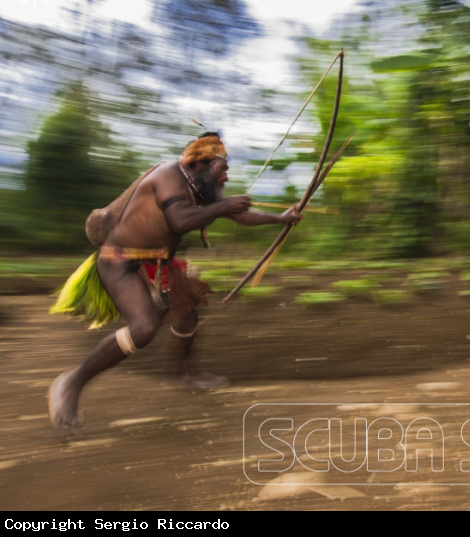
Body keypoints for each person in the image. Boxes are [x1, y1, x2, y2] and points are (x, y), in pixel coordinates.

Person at [48, 132, 302, 438]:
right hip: (121, 262)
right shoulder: (167, 174)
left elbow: (240, 214)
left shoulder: (202, 187)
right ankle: (71, 383)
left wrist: (281, 218)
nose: (226, 175)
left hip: (159, 264)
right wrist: (224, 207)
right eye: (223, 167)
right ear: (203, 164)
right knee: (143, 329)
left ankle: (180, 375)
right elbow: (180, 221)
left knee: (188, 314)